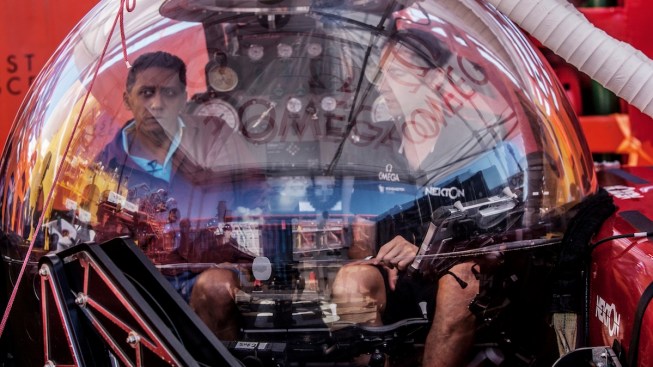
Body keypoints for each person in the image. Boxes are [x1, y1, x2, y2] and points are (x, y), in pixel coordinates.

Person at [94, 51, 252, 340]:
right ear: (128, 99)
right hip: (145, 286)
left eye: (168, 93)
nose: (157, 103)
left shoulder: (216, 139)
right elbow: (104, 248)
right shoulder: (108, 163)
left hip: (216, 274)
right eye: (146, 93)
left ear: (183, 98)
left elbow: (256, 202)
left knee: (215, 288)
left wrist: (246, 263)